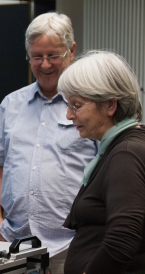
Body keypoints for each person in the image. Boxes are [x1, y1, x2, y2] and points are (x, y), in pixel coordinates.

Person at [0, 12, 98, 273]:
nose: (45, 65)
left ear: (72, 50)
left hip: (71, 247)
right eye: (36, 56)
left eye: (53, 55)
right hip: (14, 244)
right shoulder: (11, 104)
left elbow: (110, 172)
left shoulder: (91, 107)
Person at [59, 51, 145, 274]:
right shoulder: (120, 146)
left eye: (76, 105)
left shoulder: (126, 153)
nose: (69, 115)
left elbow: (124, 236)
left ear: (109, 105)